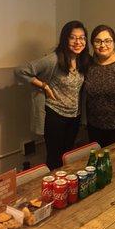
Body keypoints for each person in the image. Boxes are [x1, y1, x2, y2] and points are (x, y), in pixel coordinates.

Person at [15, 20, 91, 170]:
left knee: (68, 156)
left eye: (82, 38)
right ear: (65, 39)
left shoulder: (84, 60)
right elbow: (20, 70)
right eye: (73, 37)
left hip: (74, 117)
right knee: (55, 158)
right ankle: (52, 190)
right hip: (55, 116)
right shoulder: (53, 59)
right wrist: (44, 85)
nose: (78, 42)